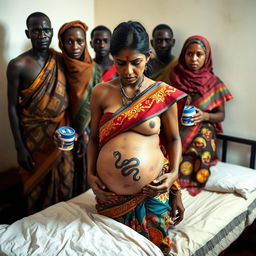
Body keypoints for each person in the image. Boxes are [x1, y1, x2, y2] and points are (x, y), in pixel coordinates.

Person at [87, 21, 187, 255]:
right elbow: (93, 139)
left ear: (147, 56)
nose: (128, 71)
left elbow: (172, 140)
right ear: (113, 59)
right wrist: (91, 176)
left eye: (136, 63)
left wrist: (173, 178)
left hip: (151, 194)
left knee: (153, 248)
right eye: (120, 63)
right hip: (110, 198)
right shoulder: (101, 92)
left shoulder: (161, 94)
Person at [7, 12, 74, 214]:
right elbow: (12, 107)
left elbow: (74, 96)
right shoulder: (18, 65)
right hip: (33, 136)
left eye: (46, 30)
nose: (42, 35)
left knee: (65, 181)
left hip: (62, 133)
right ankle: (37, 224)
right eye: (37, 30)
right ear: (28, 33)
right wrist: (19, 148)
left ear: (52, 32)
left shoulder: (62, 60)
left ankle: (62, 222)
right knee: (35, 185)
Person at [170, 35, 233, 196]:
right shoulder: (175, 77)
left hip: (203, 126)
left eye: (199, 54)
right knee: (165, 144)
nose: (194, 59)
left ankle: (188, 180)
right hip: (178, 124)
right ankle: (169, 178)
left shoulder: (213, 82)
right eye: (189, 54)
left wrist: (205, 116)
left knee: (198, 145)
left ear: (207, 57)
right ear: (183, 55)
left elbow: (221, 115)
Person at [58, 20, 102, 194]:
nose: (75, 46)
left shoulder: (94, 70)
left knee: (87, 176)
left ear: (85, 42)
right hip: (63, 133)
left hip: (89, 135)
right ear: (62, 43)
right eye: (69, 41)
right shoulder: (57, 66)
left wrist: (86, 136)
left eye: (80, 41)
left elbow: (100, 107)